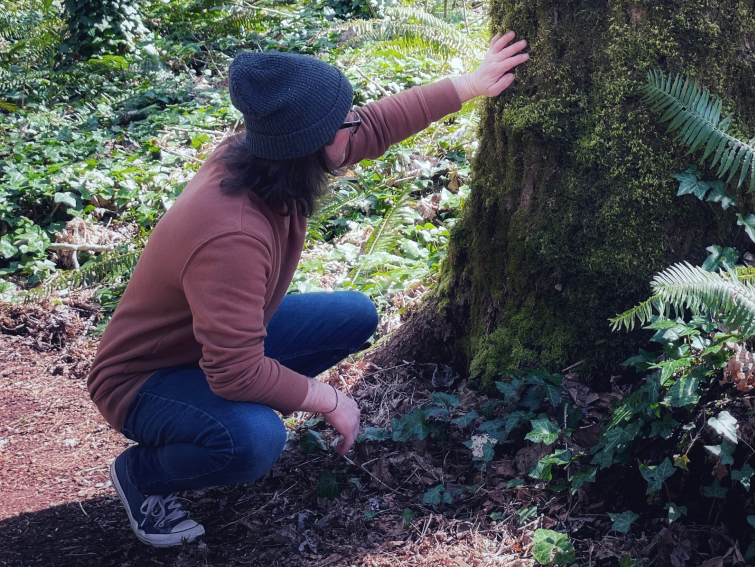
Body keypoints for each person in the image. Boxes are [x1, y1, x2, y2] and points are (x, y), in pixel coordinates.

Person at [86, 31, 529, 548]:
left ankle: (220, 416)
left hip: (209, 348)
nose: (356, 123)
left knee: (354, 314)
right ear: (313, 143)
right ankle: (144, 475)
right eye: (344, 119)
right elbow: (233, 370)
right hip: (144, 379)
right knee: (254, 440)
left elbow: (375, 125)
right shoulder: (233, 233)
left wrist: (470, 85)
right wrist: (327, 399)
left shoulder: (266, 155)